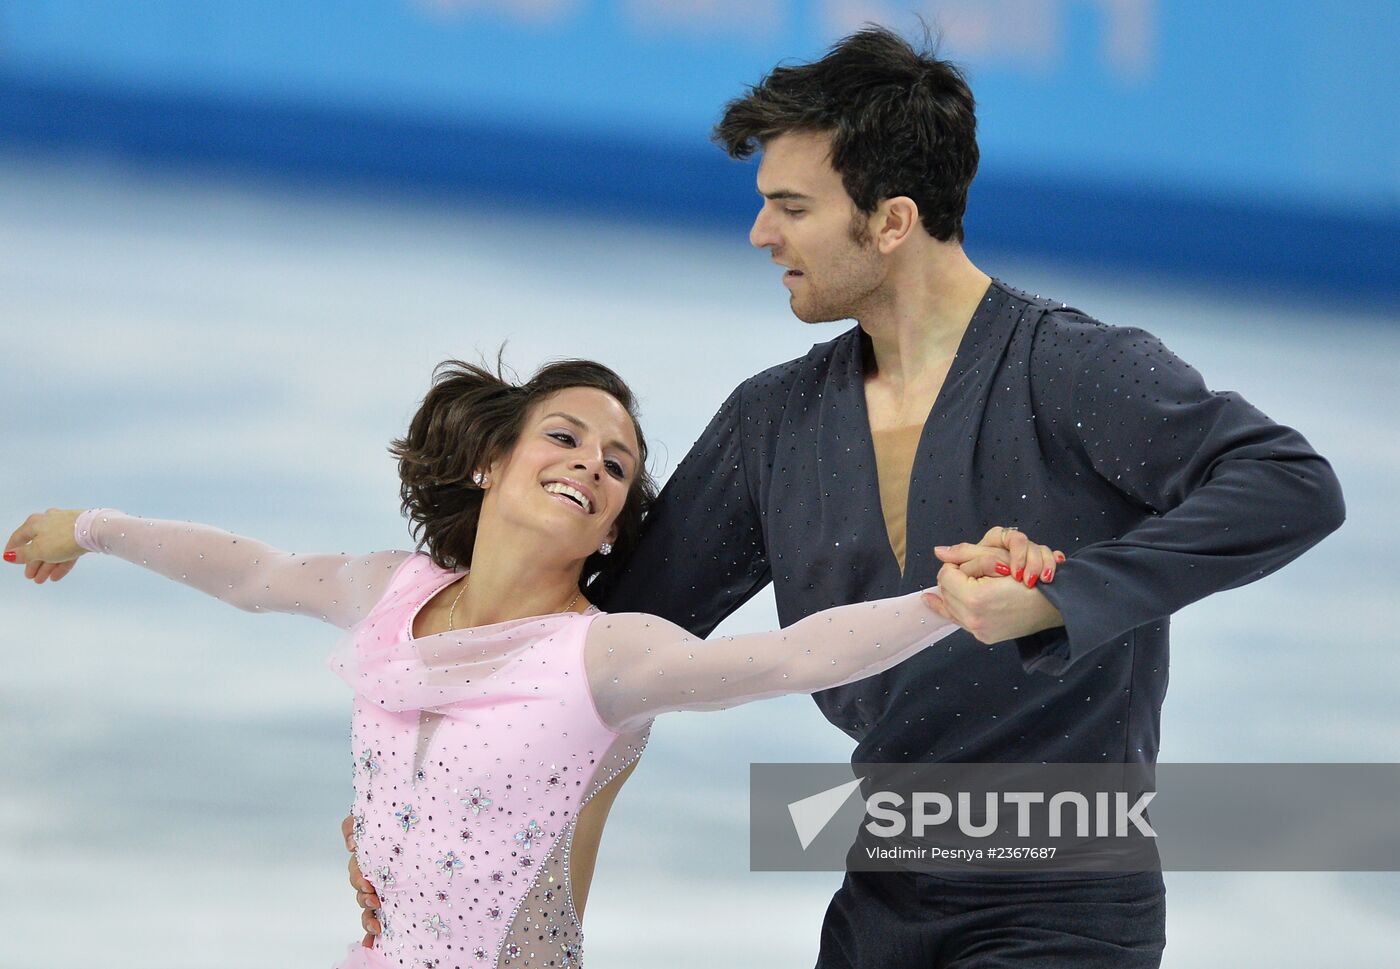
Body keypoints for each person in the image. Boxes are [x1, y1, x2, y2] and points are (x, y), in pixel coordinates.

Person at [350, 26, 1348, 969]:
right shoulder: (773, 423)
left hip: (1067, 893)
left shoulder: (1074, 371)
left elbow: (1286, 483)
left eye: (790, 207)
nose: (757, 232)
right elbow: (605, 639)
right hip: (883, 895)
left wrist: (1061, 595)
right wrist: (422, 828)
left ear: (891, 223)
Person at [5, 357, 1049, 968]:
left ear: (607, 531)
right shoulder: (390, 591)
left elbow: (783, 660)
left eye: (615, 465)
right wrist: (92, 527)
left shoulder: (604, 653)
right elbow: (256, 572)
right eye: (564, 436)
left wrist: (939, 603)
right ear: (489, 460)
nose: (589, 464)